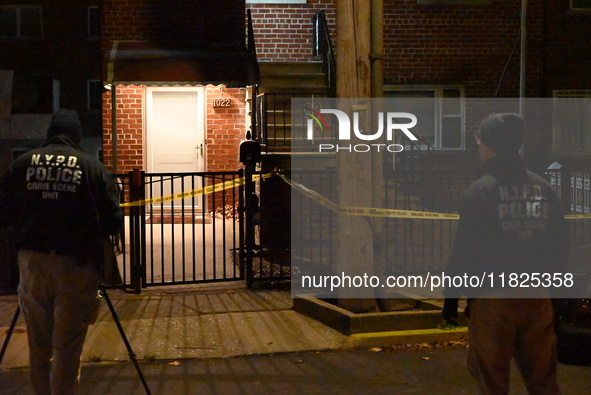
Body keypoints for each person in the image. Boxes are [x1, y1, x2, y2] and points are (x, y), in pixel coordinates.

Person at [441, 113, 568, 394]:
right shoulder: (544, 189)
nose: (477, 145)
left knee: (491, 381)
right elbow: (559, 247)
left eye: (480, 140)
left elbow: (465, 251)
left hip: (493, 299)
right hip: (536, 297)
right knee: (543, 380)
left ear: (489, 143)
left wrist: (452, 297)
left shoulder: (481, 191)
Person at [0, 109, 123, 394]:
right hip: (76, 266)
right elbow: (113, 220)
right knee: (67, 347)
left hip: (33, 263)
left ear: (50, 132)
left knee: (38, 344)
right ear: (76, 135)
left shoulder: (22, 164)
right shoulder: (91, 167)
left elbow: (4, 212)